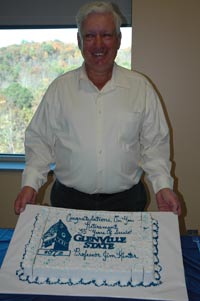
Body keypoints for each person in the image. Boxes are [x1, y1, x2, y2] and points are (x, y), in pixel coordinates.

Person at [14, 1, 181, 216]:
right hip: (68, 202)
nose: (98, 44)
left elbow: (155, 145)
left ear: (119, 40)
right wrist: (30, 185)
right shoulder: (59, 89)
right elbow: (40, 142)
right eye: (90, 36)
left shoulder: (141, 88)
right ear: (79, 41)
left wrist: (163, 186)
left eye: (107, 35)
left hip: (127, 203)